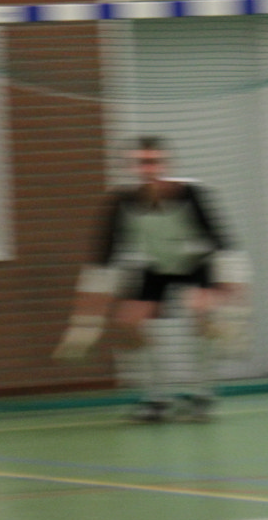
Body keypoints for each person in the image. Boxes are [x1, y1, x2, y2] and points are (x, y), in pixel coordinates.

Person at [54, 136, 249, 422]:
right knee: (128, 322)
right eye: (141, 163)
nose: (148, 169)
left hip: (197, 263)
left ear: (167, 165)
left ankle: (202, 395)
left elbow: (225, 247)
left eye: (154, 162)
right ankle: (157, 398)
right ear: (130, 167)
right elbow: (102, 262)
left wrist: (234, 306)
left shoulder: (193, 195)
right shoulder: (120, 203)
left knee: (200, 310)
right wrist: (84, 325)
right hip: (156, 265)